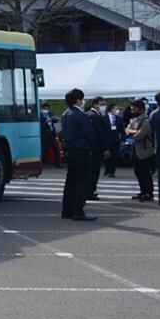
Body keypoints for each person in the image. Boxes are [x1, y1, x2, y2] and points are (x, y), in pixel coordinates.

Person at [60, 89, 97, 222]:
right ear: (78, 100)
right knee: (82, 182)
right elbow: (89, 134)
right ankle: (78, 210)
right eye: (82, 99)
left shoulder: (65, 114)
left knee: (70, 181)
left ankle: (67, 209)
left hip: (70, 150)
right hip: (81, 150)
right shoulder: (80, 115)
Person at [126, 100, 155, 203]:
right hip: (136, 150)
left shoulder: (146, 121)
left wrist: (133, 132)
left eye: (134, 109)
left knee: (145, 173)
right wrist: (133, 131)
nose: (132, 110)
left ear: (141, 109)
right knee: (138, 172)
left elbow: (139, 136)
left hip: (145, 151)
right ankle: (143, 191)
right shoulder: (135, 120)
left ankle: (148, 193)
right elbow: (127, 130)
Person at [84, 96, 113, 198]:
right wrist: (105, 148)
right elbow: (100, 134)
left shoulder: (88, 114)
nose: (103, 107)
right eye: (102, 104)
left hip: (90, 148)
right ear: (95, 104)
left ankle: (89, 191)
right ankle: (89, 192)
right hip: (95, 148)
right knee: (93, 172)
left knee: (91, 171)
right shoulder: (94, 116)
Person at [104, 101, 124, 179]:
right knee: (107, 155)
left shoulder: (119, 119)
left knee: (114, 156)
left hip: (115, 139)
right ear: (111, 109)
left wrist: (123, 139)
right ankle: (107, 169)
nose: (116, 110)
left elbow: (122, 130)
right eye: (115, 109)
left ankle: (112, 171)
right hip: (107, 139)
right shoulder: (104, 118)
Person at [40, 102, 60, 166]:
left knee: (56, 148)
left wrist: (54, 119)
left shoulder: (50, 113)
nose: (47, 109)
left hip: (51, 133)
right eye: (46, 108)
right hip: (44, 134)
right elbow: (40, 125)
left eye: (48, 108)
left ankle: (57, 162)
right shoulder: (40, 115)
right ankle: (45, 163)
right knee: (44, 149)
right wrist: (46, 121)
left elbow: (54, 121)